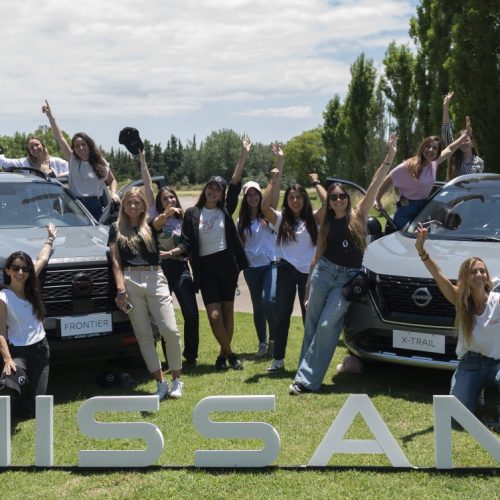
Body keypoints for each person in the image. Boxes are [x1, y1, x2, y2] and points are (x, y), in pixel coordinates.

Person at [289, 133, 398, 394]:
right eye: (333, 198)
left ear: (347, 198)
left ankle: (306, 380)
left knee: (328, 326)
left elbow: (374, 183)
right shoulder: (326, 221)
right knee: (312, 325)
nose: (338, 200)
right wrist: (307, 288)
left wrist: (389, 156)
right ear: (329, 201)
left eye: (341, 197)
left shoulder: (359, 215)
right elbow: (318, 254)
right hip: (323, 274)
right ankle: (302, 376)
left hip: (347, 279)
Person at [178, 135, 251, 370]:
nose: (213, 191)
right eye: (211, 187)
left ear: (222, 194)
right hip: (206, 269)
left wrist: (243, 154)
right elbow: (188, 241)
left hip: (227, 266)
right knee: (215, 316)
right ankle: (231, 355)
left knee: (228, 312)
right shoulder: (192, 213)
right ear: (206, 190)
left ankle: (222, 355)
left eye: (218, 189)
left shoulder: (225, 209)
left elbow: (236, 181)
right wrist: (173, 252)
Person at [415, 224, 500, 415]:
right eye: (473, 272)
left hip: (496, 364)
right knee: (457, 417)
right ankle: (476, 392)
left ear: (487, 276)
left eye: (482, 271)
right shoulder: (461, 302)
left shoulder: (497, 301)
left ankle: (490, 401)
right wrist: (421, 250)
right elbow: (438, 275)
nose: (478, 274)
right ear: (465, 277)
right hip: (469, 364)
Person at [108, 188, 183, 400]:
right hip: (130, 281)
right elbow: (115, 261)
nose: (133, 206)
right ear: (123, 205)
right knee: (143, 335)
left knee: (170, 330)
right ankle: (160, 383)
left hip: (154, 277)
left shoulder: (149, 224)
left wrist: (167, 214)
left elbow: (158, 221)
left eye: (137, 203)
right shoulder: (115, 228)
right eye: (129, 202)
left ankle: (177, 380)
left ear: (143, 206)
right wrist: (120, 289)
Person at [138, 149, 199, 366]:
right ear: (159, 202)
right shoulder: (155, 216)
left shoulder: (185, 218)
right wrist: (143, 160)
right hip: (160, 270)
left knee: (191, 313)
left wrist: (172, 252)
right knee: (164, 317)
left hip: (181, 268)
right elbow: (147, 184)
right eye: (165, 198)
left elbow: (189, 244)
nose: (170, 199)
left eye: (172, 196)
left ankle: (190, 355)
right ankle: (169, 359)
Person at [261, 168, 326, 372]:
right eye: (291, 197)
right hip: (286, 272)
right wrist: (273, 179)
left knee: (310, 317)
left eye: (299, 197)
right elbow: (264, 206)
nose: (295, 201)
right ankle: (278, 360)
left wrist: (316, 183)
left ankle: (310, 360)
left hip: (309, 275)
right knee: (282, 316)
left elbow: (328, 203)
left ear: (305, 199)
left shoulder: (314, 219)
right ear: (286, 200)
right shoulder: (280, 220)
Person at [0, 223, 57, 418]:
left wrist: (50, 238)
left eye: (24, 268)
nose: (21, 272)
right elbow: (1, 332)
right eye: (15, 268)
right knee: (10, 381)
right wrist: (7, 359)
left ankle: (24, 402)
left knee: (36, 411)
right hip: (20, 352)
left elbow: (42, 258)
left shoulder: (30, 287)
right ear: (7, 270)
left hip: (41, 350)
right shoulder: (3, 298)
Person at [237, 143, 283, 358]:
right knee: (258, 305)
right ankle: (262, 343)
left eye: (256, 194)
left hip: (270, 263)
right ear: (245, 198)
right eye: (250, 195)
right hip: (251, 267)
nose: (254, 197)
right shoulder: (241, 221)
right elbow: (239, 247)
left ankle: (274, 339)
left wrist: (279, 162)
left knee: (269, 300)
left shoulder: (269, 214)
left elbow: (274, 190)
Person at [374, 132, 470, 230]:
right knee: (405, 240)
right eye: (428, 146)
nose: (431, 150)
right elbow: (389, 178)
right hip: (406, 210)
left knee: (423, 239)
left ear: (437, 152)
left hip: (423, 210)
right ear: (422, 147)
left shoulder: (433, 164)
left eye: (435, 148)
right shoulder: (408, 166)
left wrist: (464, 136)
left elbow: (450, 149)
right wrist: (377, 199)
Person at [42, 100, 120, 220]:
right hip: (75, 204)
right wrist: (50, 117)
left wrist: (113, 193)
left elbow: (112, 180)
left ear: (89, 145)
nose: (81, 148)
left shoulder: (100, 162)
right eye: (77, 146)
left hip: (95, 205)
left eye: (83, 144)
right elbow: (60, 137)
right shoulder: (73, 159)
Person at [442, 91, 484, 179]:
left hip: (471, 193)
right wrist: (446, 106)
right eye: (461, 141)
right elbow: (446, 129)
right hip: (453, 192)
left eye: (466, 140)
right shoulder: (453, 155)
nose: (464, 143)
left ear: (472, 142)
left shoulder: (479, 162)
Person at [0, 136, 69, 177]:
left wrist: (61, 176)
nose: (35, 148)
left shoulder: (57, 162)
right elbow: (5, 162)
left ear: (43, 145)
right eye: (31, 147)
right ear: (29, 151)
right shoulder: (24, 162)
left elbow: (72, 171)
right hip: (34, 200)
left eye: (37, 145)